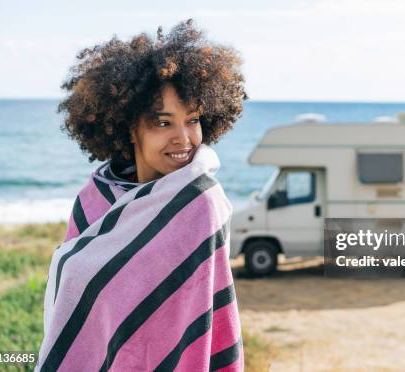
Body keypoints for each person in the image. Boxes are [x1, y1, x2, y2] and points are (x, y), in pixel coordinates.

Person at [35, 19, 247, 371]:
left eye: (192, 120)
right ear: (130, 128)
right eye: (163, 123)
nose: (184, 138)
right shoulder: (95, 197)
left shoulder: (201, 202)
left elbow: (205, 316)